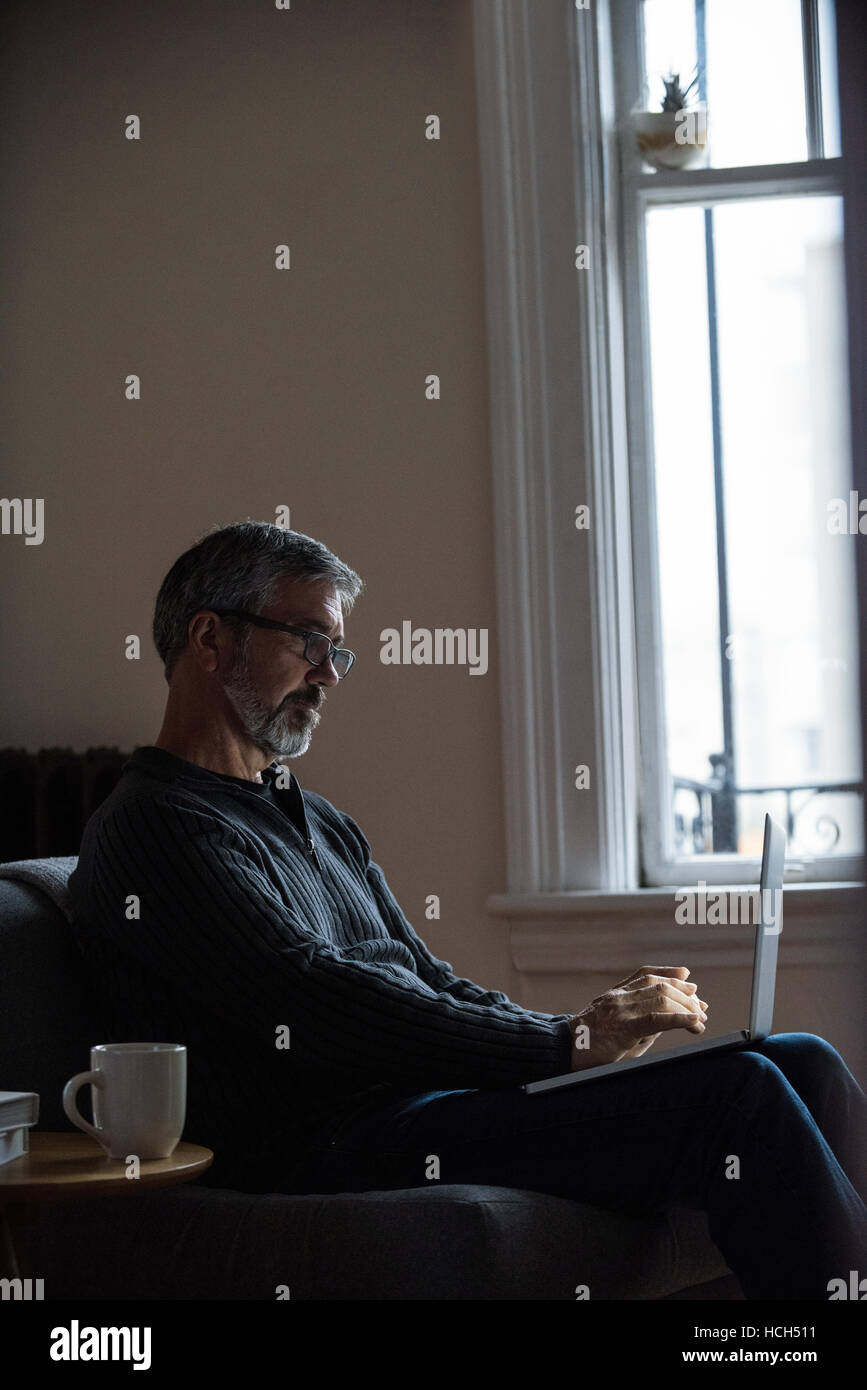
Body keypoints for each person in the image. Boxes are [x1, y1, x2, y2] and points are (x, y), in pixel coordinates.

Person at [68, 521, 867, 1300]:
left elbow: (426, 978)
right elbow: (315, 999)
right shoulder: (155, 826)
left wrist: (568, 1037)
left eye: (335, 649)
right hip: (328, 1144)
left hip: (415, 1109)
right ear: (209, 641)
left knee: (802, 1060)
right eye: (308, 641)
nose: (331, 673)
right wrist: (558, 1047)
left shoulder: (314, 819)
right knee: (742, 1095)